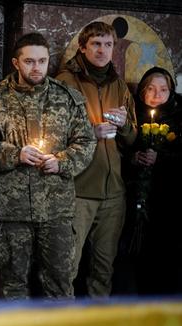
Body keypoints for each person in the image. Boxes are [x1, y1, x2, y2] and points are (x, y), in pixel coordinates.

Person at [0, 32, 96, 299]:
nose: (37, 67)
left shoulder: (67, 97)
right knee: (12, 286)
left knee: (60, 285)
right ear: (16, 63)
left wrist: (61, 161)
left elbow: (86, 142)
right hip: (10, 211)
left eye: (42, 61)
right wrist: (15, 155)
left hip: (56, 210)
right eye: (29, 61)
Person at [56, 21, 137, 297]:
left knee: (104, 269)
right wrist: (91, 131)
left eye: (108, 44)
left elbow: (132, 140)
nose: (102, 50)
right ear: (83, 46)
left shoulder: (119, 84)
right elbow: (52, 134)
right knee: (67, 268)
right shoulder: (66, 82)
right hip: (78, 191)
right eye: (96, 44)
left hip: (113, 192)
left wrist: (125, 125)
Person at [129, 67, 182, 295]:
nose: (156, 95)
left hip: (169, 201)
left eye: (163, 90)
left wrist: (160, 158)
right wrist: (133, 158)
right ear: (141, 92)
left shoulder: (179, 117)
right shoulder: (131, 114)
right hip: (133, 200)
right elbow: (119, 149)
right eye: (150, 89)